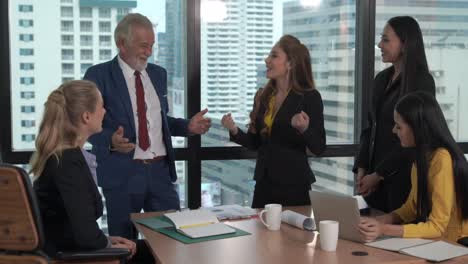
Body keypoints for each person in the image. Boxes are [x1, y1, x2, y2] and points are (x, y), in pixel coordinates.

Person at [83, 13, 211, 238]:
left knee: (172, 241)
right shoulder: (98, 75)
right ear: (121, 44)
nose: (149, 52)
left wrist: (188, 127)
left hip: (160, 173)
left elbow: (161, 122)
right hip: (122, 175)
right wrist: (110, 140)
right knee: (124, 245)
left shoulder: (158, 74)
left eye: (151, 45)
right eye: (143, 45)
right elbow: (86, 123)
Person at [31, 80, 154, 263]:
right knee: (158, 251)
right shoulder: (67, 162)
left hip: (66, 249)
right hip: (70, 257)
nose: (105, 111)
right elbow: (84, 235)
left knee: (150, 247)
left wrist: (106, 240)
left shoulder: (61, 156)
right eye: (102, 106)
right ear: (86, 117)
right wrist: (105, 245)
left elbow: (74, 227)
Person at [221, 35, 326, 208]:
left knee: (293, 235)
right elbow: (256, 143)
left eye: (274, 56)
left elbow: (319, 147)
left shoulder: (309, 98)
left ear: (290, 63)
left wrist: (305, 129)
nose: (267, 60)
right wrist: (233, 130)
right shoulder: (264, 96)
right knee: (259, 233)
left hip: (294, 186)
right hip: (264, 184)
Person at [358, 91, 468, 243]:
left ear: (417, 128)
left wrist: (383, 229)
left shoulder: (441, 158)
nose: (394, 131)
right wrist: (379, 221)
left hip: (456, 245)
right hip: (438, 242)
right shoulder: (421, 158)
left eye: (398, 126)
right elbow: (411, 208)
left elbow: (437, 226)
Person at [354, 16, 436, 213]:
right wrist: (362, 167)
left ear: (405, 44)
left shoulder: (421, 81)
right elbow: (370, 127)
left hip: (403, 179)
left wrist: (379, 174)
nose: (379, 44)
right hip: (374, 178)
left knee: (393, 238)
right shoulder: (381, 79)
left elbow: (416, 136)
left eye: (386, 39)